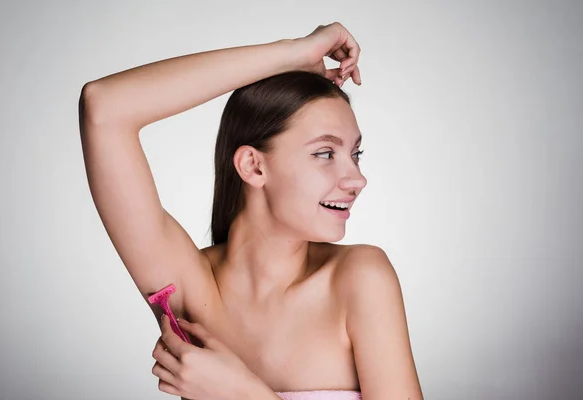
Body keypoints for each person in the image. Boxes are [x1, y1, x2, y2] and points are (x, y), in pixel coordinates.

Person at [79, 22, 423, 400]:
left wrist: (244, 394)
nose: (357, 179)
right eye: (325, 153)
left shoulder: (360, 279)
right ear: (253, 167)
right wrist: (290, 52)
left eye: (355, 154)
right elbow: (104, 106)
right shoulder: (191, 288)